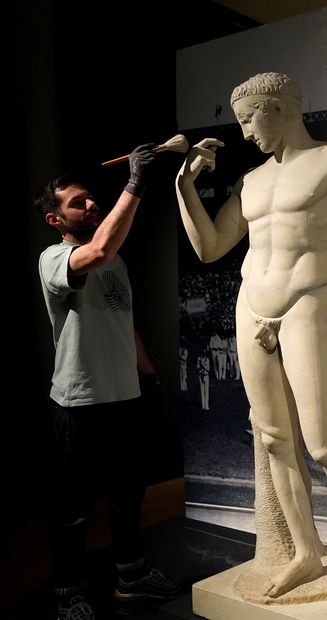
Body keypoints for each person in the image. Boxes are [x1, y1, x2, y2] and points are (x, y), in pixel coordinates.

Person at [176, 72, 327, 597]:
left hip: (308, 302)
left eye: (249, 119)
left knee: (322, 442)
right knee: (273, 441)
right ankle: (307, 551)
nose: (245, 133)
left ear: (279, 108)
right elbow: (211, 247)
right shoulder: (252, 181)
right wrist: (184, 188)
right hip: (251, 307)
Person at [35, 146, 181, 617]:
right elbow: (97, 249)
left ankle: (131, 580)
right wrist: (135, 183)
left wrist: (149, 374)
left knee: (127, 498)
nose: (90, 204)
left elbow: (124, 322)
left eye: (90, 198)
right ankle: (70, 595)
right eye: (77, 203)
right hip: (79, 403)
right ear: (56, 220)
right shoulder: (55, 258)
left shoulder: (114, 263)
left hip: (124, 398)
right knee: (72, 510)